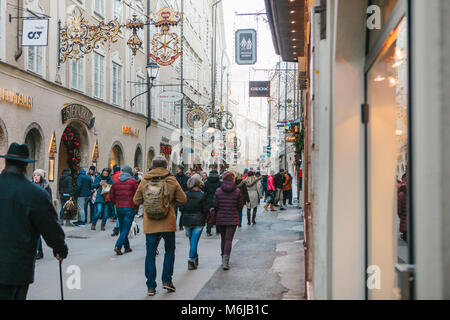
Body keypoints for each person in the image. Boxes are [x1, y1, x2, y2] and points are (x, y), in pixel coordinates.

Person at [0, 143, 68, 300]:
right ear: (26, 166)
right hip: (16, 267)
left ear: (6, 162)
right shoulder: (35, 193)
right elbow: (50, 227)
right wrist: (60, 248)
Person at [133, 155, 187, 296]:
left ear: (152, 165)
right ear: (165, 166)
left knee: (150, 254)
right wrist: (170, 200)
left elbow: (136, 200)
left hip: (150, 222)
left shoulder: (145, 179)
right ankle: (166, 281)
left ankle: (151, 287)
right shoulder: (171, 179)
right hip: (167, 222)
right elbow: (183, 199)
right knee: (169, 251)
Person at [213, 171, 243, 270]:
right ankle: (226, 261)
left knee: (223, 238)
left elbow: (215, 205)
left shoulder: (218, 191)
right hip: (232, 218)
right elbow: (240, 206)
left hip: (221, 218)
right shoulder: (237, 191)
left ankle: (223, 258)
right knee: (229, 240)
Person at [179, 175, 209, 270]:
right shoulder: (202, 195)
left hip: (187, 219)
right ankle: (191, 260)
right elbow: (205, 209)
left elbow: (181, 208)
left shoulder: (185, 194)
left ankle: (195, 256)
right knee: (194, 241)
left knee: (192, 240)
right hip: (198, 220)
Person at [110, 166, 139, 255]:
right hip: (129, 207)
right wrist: (136, 207)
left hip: (119, 208)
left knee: (123, 227)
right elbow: (137, 196)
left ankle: (127, 247)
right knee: (126, 228)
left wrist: (117, 203)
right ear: (130, 172)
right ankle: (118, 246)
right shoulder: (133, 182)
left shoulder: (116, 182)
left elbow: (111, 196)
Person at [32, 169, 52, 260]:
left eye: (38, 175)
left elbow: (49, 202)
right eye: (34, 175)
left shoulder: (46, 187)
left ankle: (36, 251)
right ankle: (39, 251)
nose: (36, 177)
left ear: (41, 177)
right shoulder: (30, 185)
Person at [204, 170, 221, 237]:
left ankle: (208, 231)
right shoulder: (219, 183)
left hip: (209, 201)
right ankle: (218, 231)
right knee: (218, 216)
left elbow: (204, 192)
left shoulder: (206, 182)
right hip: (217, 201)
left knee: (209, 216)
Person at [175, 165, 189, 231]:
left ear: (181, 170)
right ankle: (173, 226)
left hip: (182, 197)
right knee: (174, 212)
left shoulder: (186, 178)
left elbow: (187, 187)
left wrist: (185, 194)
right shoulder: (174, 177)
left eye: (178, 169)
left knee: (182, 212)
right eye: (177, 169)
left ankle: (181, 225)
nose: (177, 170)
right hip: (175, 197)